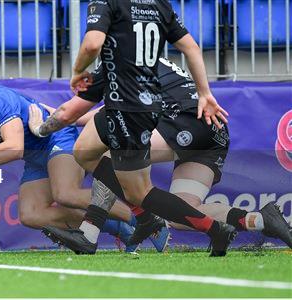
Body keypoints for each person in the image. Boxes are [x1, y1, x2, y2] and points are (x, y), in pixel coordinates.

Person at [29, 58, 292, 253]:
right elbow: (97, 112)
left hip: (185, 121)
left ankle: (91, 233)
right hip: (211, 131)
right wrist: (65, 118)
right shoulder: (147, 54)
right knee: (185, 213)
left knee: (114, 150)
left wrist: (47, 125)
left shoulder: (116, 55)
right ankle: (261, 219)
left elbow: (87, 112)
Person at [38, 0, 237, 256]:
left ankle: (209, 228)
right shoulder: (158, 5)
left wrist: (76, 73)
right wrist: (204, 92)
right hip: (144, 108)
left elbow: (91, 45)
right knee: (86, 151)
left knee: (140, 192)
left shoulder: (106, 5)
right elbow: (191, 47)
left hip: (127, 111)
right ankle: (123, 225)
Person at [0, 73, 155, 251]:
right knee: (31, 214)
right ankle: (119, 229)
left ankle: (145, 220)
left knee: (65, 193)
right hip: (35, 157)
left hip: (57, 138)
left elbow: (14, 148)